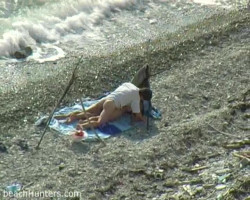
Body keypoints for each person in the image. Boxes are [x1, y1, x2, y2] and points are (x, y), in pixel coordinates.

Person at [55, 82, 152, 130]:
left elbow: (122, 92)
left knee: (89, 111)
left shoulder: (130, 85)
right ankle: (82, 126)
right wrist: (143, 119)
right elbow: (137, 114)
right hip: (111, 104)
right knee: (99, 122)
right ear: (142, 97)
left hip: (107, 98)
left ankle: (70, 116)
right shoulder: (136, 98)